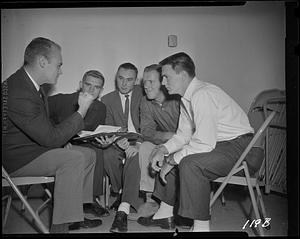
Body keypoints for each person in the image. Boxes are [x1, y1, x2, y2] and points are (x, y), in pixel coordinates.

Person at [138, 52, 259, 232]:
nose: (163, 82)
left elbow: (203, 143)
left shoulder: (202, 94)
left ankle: (201, 228)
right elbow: (183, 136)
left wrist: (172, 160)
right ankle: (165, 214)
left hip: (244, 149)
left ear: (183, 75)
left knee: (188, 163)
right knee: (174, 157)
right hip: (223, 146)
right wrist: (163, 149)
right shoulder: (187, 98)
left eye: (166, 77)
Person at [2, 37, 102, 233]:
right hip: (16, 159)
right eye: (59, 65)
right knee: (71, 159)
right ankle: (61, 227)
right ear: (42, 62)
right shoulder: (19, 91)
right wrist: (81, 111)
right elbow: (50, 138)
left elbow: (43, 128)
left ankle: (75, 214)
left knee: (89, 155)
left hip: (30, 148)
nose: (61, 70)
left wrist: (60, 142)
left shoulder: (30, 85)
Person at [109, 64, 180, 232]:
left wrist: (175, 138)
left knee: (149, 148)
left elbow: (192, 132)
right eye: (144, 82)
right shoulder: (146, 101)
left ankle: (176, 205)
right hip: (164, 141)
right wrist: (166, 136)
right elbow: (147, 132)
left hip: (187, 142)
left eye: (151, 82)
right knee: (145, 147)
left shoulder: (178, 99)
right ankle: (151, 200)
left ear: (163, 82)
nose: (145, 86)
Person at [48, 70, 109, 217]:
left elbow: (93, 132)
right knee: (84, 154)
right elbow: (40, 119)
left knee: (98, 151)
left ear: (101, 91)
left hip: (84, 144)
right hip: (59, 144)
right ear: (81, 85)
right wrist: (60, 142)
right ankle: (78, 203)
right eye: (88, 85)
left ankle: (89, 200)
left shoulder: (101, 108)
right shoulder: (61, 100)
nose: (91, 90)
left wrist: (103, 141)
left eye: (96, 87)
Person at [101, 63, 144, 210]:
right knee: (107, 154)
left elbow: (149, 123)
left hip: (140, 140)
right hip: (118, 141)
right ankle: (122, 191)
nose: (124, 83)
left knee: (135, 155)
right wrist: (118, 140)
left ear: (136, 80)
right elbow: (109, 126)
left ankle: (124, 198)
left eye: (129, 79)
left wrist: (138, 143)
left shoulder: (144, 94)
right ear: (116, 78)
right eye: (121, 78)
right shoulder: (107, 99)